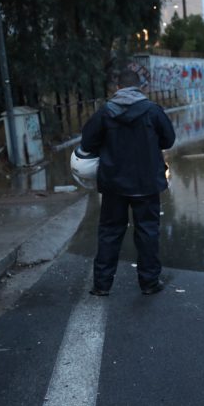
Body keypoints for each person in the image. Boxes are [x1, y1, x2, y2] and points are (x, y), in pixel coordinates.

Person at [81, 68, 176, 296]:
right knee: (147, 232)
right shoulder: (153, 111)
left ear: (118, 88)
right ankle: (149, 283)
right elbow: (169, 140)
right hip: (146, 184)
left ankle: (101, 285)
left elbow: (87, 143)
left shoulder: (104, 113)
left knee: (110, 232)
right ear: (141, 87)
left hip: (114, 184)